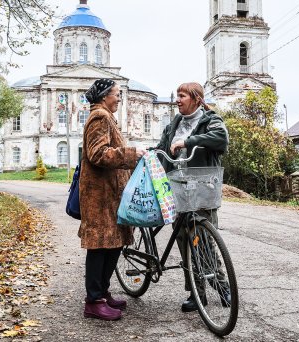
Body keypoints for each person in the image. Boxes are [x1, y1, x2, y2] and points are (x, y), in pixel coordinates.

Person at [155, 82, 230, 312]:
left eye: (182, 95)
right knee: (185, 241)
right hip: (177, 189)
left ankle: (221, 285)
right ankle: (197, 293)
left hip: (202, 188)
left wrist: (188, 142)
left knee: (204, 240)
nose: (178, 100)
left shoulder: (210, 120)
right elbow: (161, 149)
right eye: (177, 95)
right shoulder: (173, 125)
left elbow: (221, 139)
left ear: (196, 98)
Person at [79, 79, 145, 321]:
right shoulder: (100, 117)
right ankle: (93, 301)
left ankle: (103, 293)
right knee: (99, 246)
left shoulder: (107, 116)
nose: (119, 98)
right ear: (105, 95)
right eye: (117, 94)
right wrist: (130, 154)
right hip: (100, 195)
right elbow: (97, 154)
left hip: (110, 194)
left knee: (113, 243)